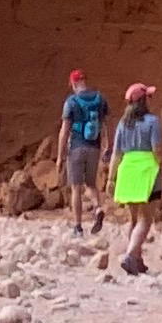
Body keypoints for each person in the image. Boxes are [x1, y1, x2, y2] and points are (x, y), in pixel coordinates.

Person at [109, 81, 162, 273]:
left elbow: (116, 153)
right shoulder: (153, 122)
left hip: (127, 171)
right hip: (147, 170)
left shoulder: (123, 124)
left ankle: (137, 260)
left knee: (133, 219)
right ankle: (131, 255)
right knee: (145, 219)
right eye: (149, 96)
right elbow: (157, 149)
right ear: (143, 101)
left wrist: (111, 178)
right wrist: (161, 162)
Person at [57, 65, 109, 233]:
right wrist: (108, 144)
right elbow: (108, 123)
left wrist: (60, 155)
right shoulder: (100, 99)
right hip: (94, 147)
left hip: (77, 148)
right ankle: (98, 207)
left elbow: (65, 131)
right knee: (91, 184)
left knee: (76, 188)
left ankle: (78, 226)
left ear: (73, 83)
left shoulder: (71, 102)